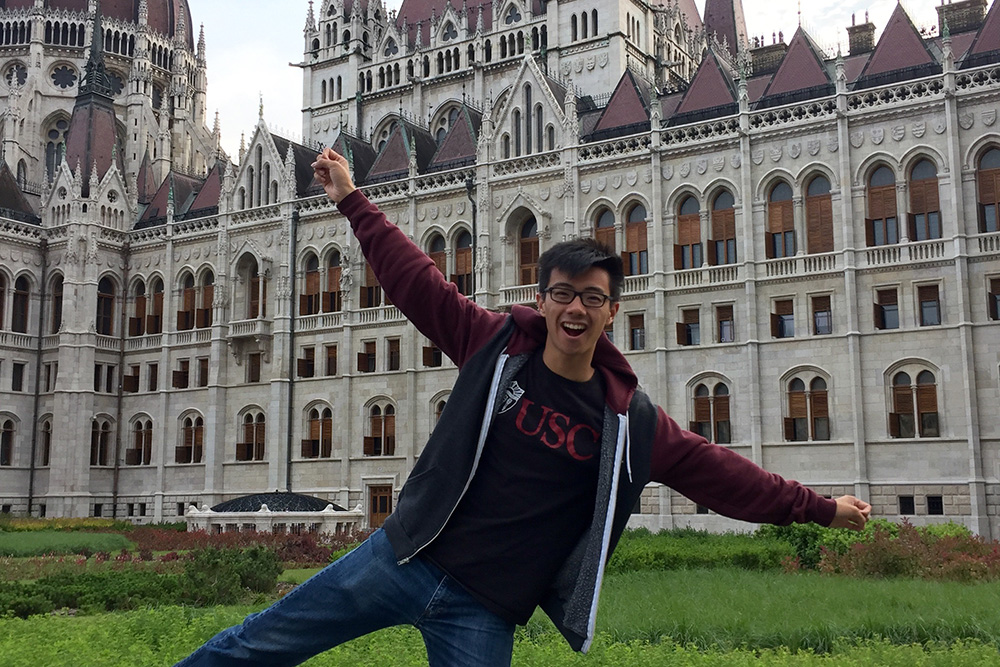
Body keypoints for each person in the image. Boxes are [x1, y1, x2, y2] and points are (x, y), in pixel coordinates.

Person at [173, 149, 871, 667]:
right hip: (403, 556)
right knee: (251, 646)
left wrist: (819, 506)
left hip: (482, 607)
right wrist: (352, 199)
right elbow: (416, 281)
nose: (575, 307)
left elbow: (724, 475)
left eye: (591, 297)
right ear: (542, 299)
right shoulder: (493, 345)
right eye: (563, 292)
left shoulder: (632, 424)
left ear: (611, 313)